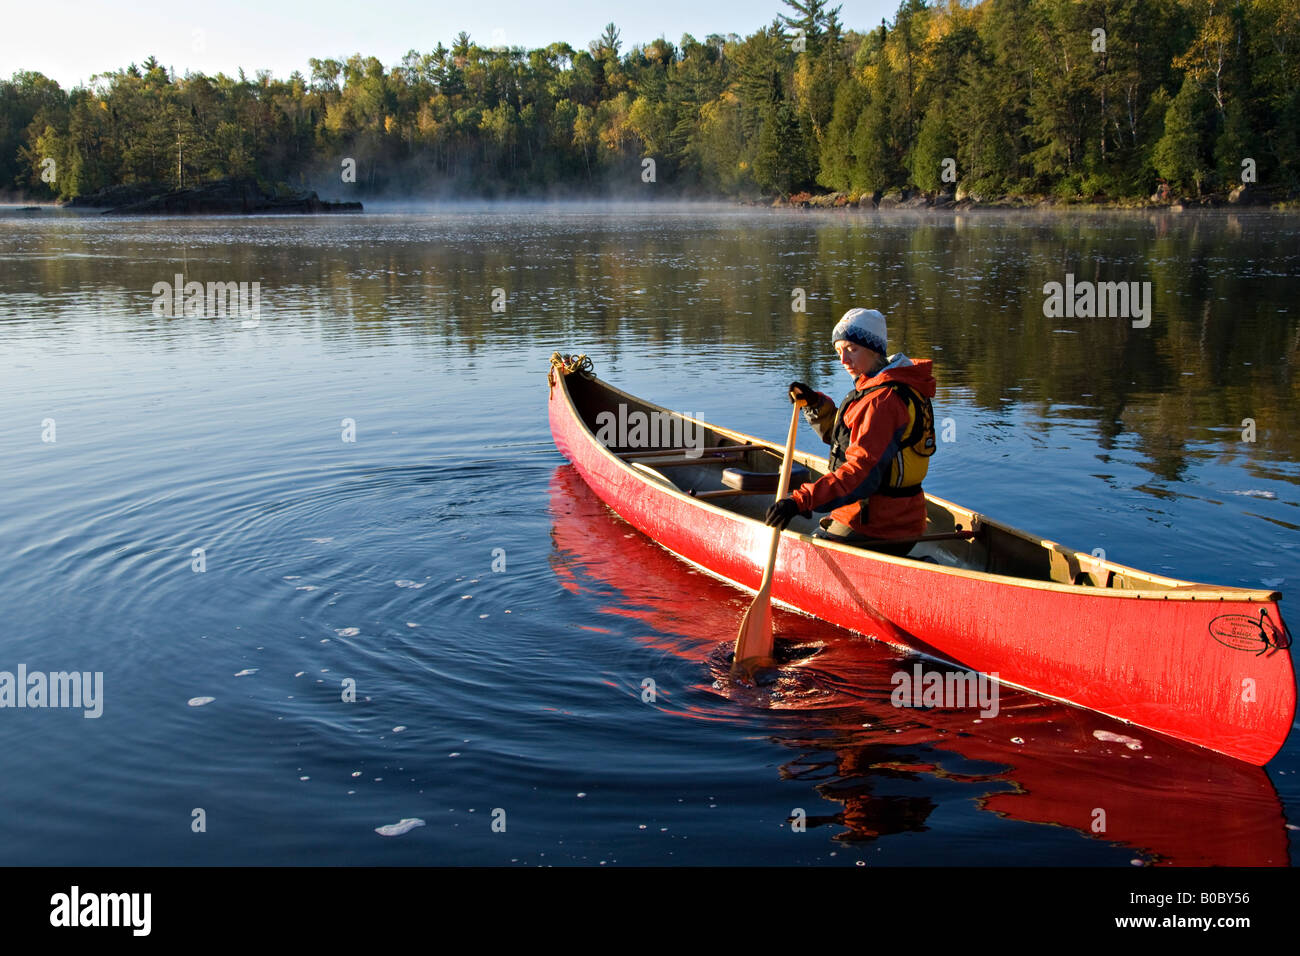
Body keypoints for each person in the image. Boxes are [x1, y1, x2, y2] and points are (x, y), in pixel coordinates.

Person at [765, 307, 937, 558]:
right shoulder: (892, 386)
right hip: (904, 522)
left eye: (851, 349)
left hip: (875, 526)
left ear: (874, 348)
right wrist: (815, 405)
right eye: (839, 351)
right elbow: (847, 439)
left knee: (803, 554)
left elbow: (859, 472)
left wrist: (799, 501)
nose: (843, 360)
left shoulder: (883, 400)